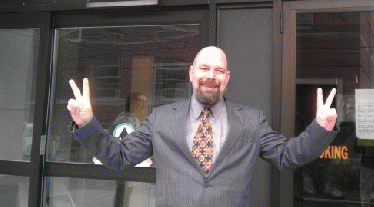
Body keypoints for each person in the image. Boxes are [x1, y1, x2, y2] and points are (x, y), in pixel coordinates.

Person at [67, 46, 339, 207]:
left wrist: (320, 128)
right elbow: (119, 157)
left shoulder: (251, 121)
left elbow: (288, 155)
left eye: (219, 70)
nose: (211, 76)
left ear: (227, 77)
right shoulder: (161, 119)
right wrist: (87, 124)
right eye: (204, 69)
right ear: (191, 73)